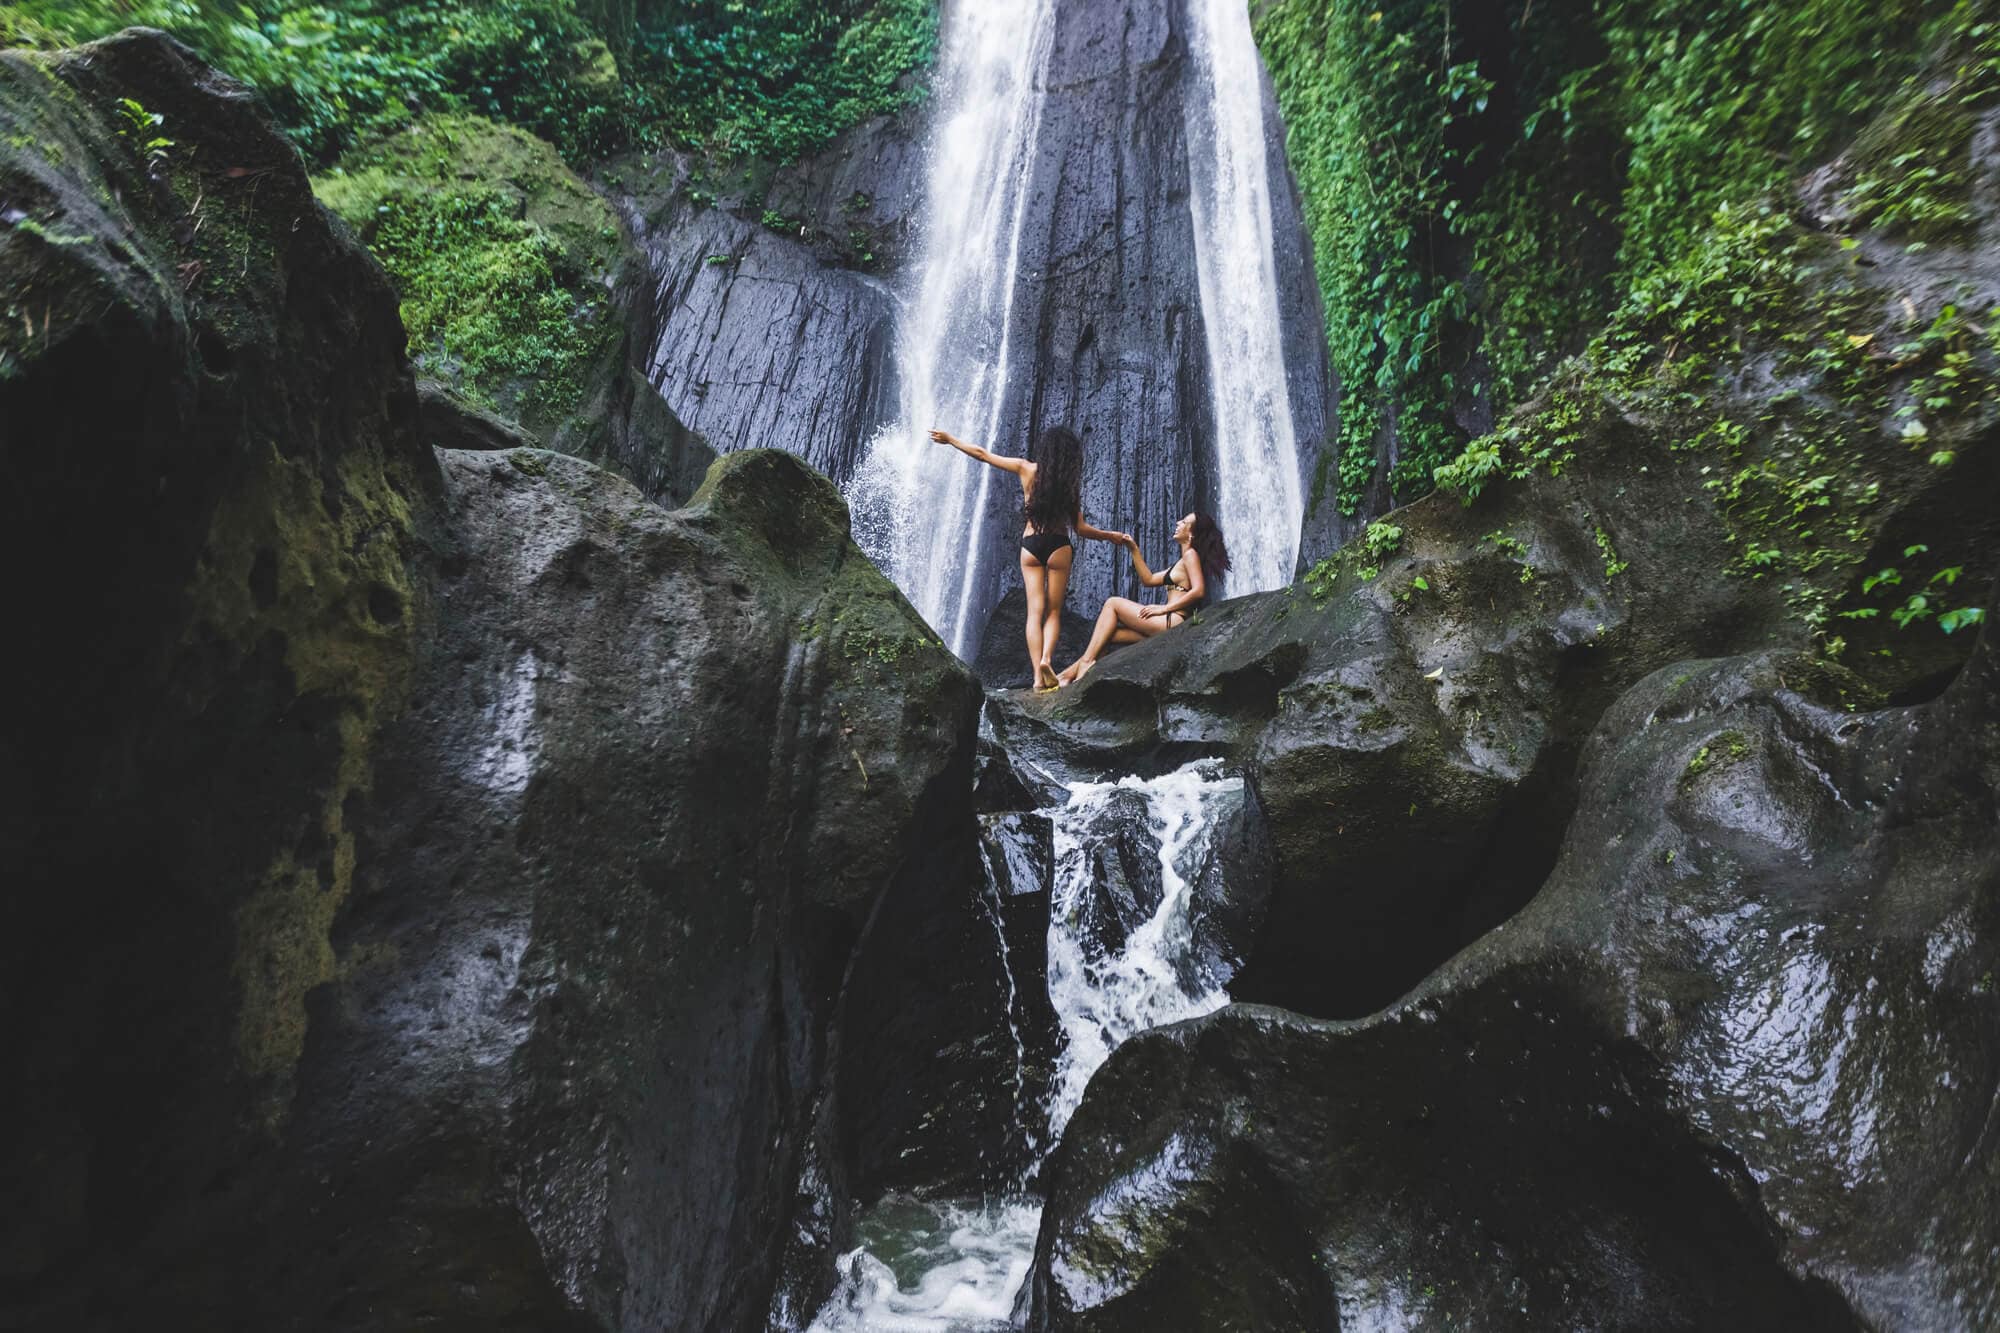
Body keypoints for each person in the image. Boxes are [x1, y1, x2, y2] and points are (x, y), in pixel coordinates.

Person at [929, 425, 1129, 690]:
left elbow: (982, 454)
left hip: (1031, 544)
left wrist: (951, 438)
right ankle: (1047, 659)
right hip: (1059, 545)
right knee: (1054, 611)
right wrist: (1109, 536)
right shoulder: (1069, 485)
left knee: (1034, 613)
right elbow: (1080, 528)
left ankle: (1037, 675)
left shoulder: (1026, 469)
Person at [1057, 511, 1229, 686]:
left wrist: (1164, 608)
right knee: (1109, 635)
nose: (1178, 523)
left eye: (1184, 522)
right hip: (1169, 624)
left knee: (1112, 603)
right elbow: (1149, 580)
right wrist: (1133, 548)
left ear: (1191, 534)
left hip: (1171, 622)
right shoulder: (1182, 561)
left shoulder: (1190, 555)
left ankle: (1085, 666)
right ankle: (1068, 676)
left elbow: (1199, 590)